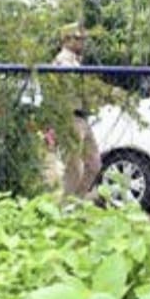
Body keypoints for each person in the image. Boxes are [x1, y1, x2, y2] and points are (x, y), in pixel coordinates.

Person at [53, 22, 101, 198]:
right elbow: (70, 86)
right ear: (66, 40)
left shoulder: (76, 61)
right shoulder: (63, 61)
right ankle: (67, 208)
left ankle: (75, 203)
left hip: (82, 117)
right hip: (70, 117)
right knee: (74, 167)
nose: (82, 43)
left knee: (94, 163)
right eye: (78, 39)